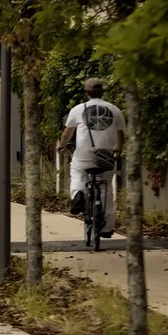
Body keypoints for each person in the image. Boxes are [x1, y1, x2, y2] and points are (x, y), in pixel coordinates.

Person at [57, 77, 125, 238]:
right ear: (103, 91)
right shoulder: (115, 110)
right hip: (106, 157)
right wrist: (118, 148)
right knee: (106, 188)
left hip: (84, 155)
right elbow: (121, 135)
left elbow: (68, 132)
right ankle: (106, 228)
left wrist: (61, 144)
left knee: (77, 171)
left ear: (86, 92)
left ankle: (78, 194)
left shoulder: (78, 109)